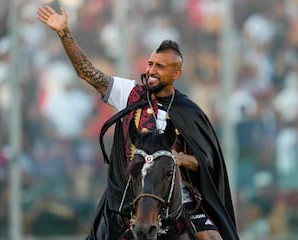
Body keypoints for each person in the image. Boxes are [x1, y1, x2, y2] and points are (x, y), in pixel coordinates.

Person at [37, 5, 239, 240]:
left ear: (177, 74)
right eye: (151, 64)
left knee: (212, 238)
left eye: (160, 67)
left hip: (181, 202)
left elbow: (207, 161)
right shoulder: (130, 94)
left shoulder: (188, 111)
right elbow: (87, 72)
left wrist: (179, 158)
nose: (152, 70)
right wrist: (64, 33)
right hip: (130, 199)